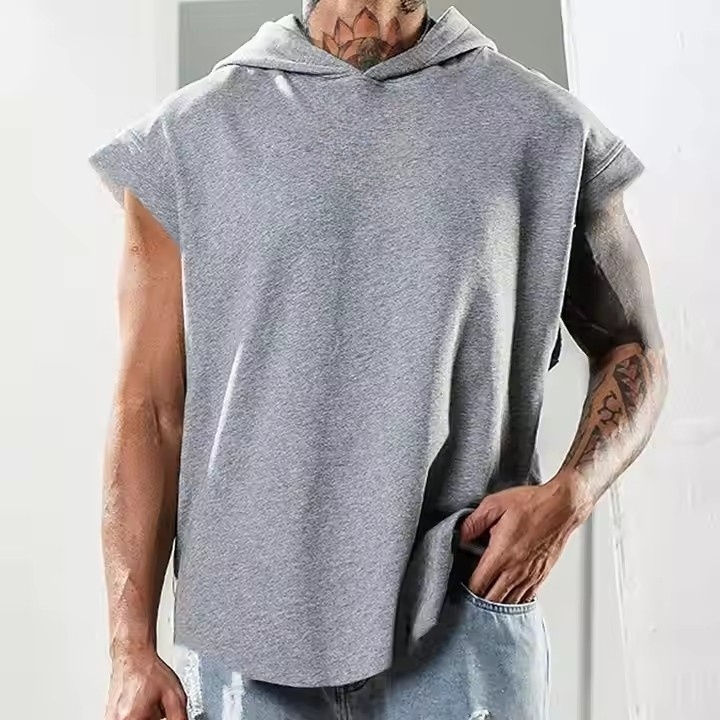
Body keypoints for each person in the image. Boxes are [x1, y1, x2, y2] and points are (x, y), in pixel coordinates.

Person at [88, 2, 667, 719]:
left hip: (459, 616)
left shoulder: (544, 129)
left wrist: (570, 497)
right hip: (246, 640)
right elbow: (148, 409)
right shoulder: (188, 139)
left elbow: (634, 348)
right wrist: (129, 648)